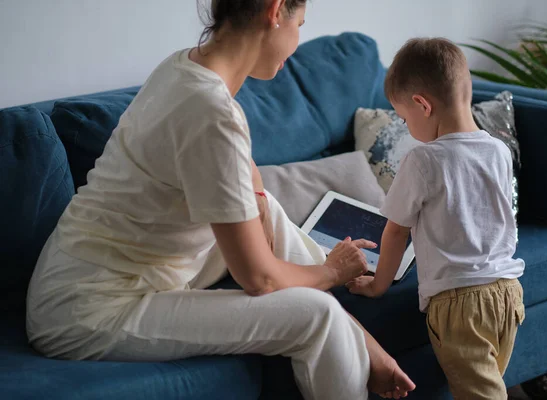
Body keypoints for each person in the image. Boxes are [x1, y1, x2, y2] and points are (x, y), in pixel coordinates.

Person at [26, 1, 416, 399]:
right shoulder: (212, 113)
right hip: (87, 310)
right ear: (276, 11)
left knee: (267, 209)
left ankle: (363, 343)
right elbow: (259, 279)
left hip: (113, 266)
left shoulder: (183, 68)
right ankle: (351, 329)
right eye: (299, 24)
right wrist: (331, 273)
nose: (297, 41)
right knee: (318, 316)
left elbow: (247, 178)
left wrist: (265, 210)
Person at [347, 38, 526, 400]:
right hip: (508, 294)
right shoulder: (498, 150)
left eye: (403, 117)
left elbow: (396, 232)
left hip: (459, 306)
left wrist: (379, 284)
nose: (405, 124)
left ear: (422, 105)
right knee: (486, 386)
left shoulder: (424, 160)